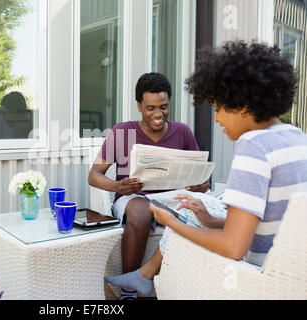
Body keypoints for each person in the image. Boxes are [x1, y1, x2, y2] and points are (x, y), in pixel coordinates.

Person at [104, 40, 307, 296]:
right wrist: (212, 221)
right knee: (194, 211)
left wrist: (172, 224)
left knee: (183, 220)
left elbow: (233, 247)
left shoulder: (253, 146)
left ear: (242, 105)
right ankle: (141, 278)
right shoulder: (297, 137)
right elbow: (273, 219)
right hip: (291, 274)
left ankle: (144, 279)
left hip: (254, 278)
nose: (217, 119)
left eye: (217, 108)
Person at [88, 72, 209, 300]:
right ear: (139, 106)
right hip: (132, 200)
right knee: (142, 209)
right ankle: (128, 289)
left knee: (202, 209)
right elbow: (94, 175)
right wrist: (118, 186)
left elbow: (202, 177)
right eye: (150, 108)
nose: (158, 114)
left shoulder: (182, 132)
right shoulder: (122, 131)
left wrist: (201, 186)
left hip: (171, 199)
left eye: (163, 107)